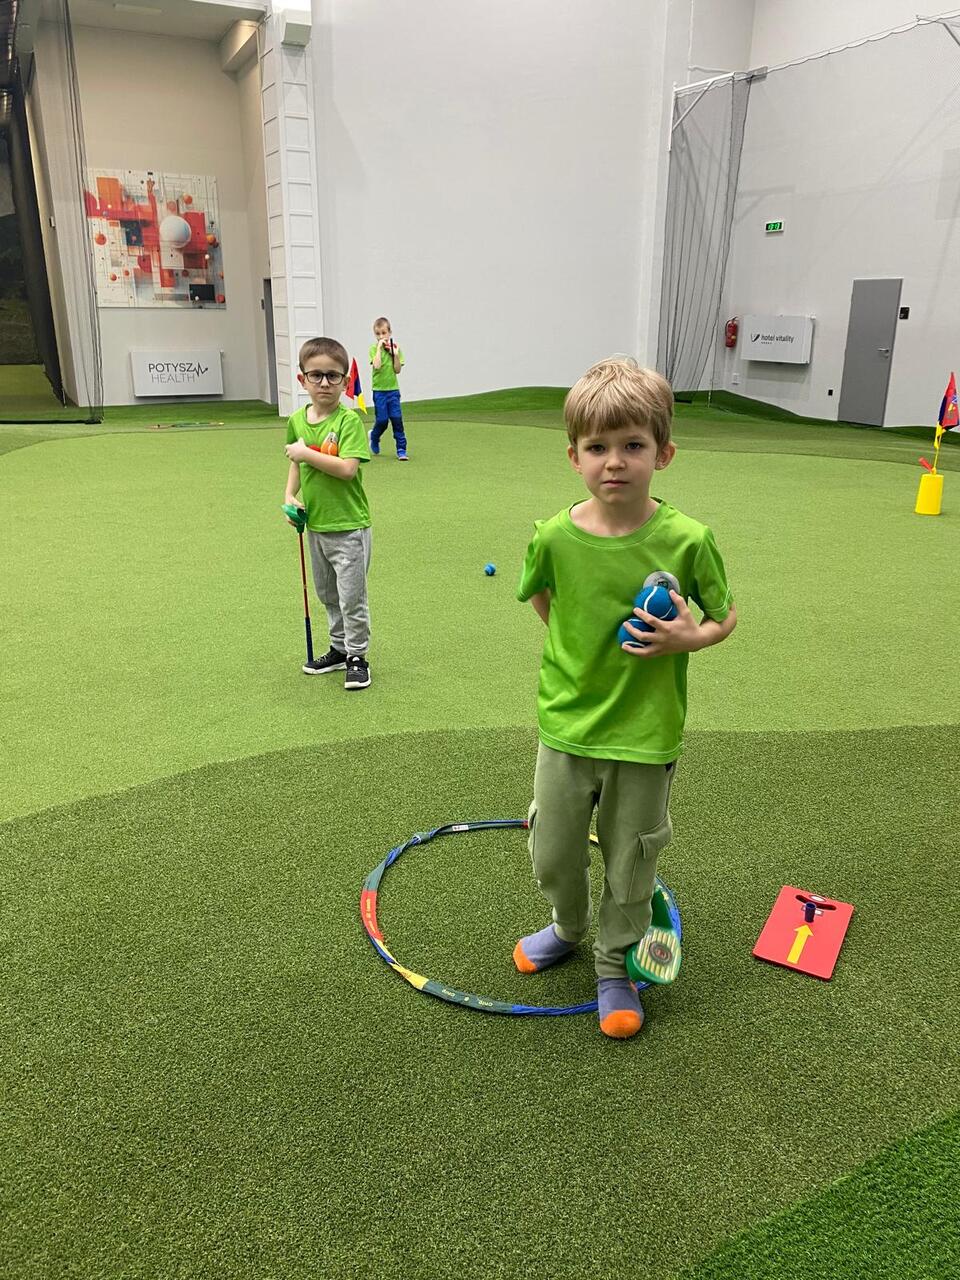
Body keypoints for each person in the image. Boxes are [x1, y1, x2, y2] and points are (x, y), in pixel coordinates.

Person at [515, 357, 737, 1038]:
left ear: (663, 453)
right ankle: (567, 926)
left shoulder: (688, 540)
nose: (615, 461)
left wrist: (689, 638)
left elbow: (723, 614)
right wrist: (579, 653)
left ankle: (614, 962)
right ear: (574, 456)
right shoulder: (552, 536)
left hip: (645, 734)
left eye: (633, 445)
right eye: (597, 447)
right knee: (553, 850)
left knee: (631, 859)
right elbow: (546, 600)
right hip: (567, 725)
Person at [283, 337, 372, 690]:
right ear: (302, 379)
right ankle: (339, 648)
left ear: (345, 381)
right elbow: (296, 463)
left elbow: (347, 469)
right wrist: (290, 495)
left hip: (349, 526)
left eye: (333, 376)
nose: (324, 383)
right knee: (328, 594)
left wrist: (305, 453)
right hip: (316, 525)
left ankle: (357, 656)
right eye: (316, 375)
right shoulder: (297, 420)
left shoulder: (349, 422)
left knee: (352, 597)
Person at [368, 316, 407, 460]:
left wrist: (395, 355)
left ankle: (401, 449)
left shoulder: (395, 348)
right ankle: (374, 436)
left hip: (393, 390)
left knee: (397, 420)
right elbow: (377, 366)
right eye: (378, 334)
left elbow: (397, 370)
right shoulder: (373, 349)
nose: (381, 336)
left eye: (384, 333)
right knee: (382, 420)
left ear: (389, 332)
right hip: (379, 391)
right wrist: (379, 348)